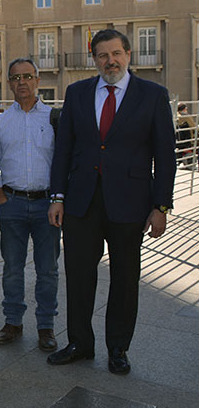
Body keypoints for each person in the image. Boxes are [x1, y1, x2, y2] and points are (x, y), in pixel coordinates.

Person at [47, 29, 175, 374]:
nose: (110, 61)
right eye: (102, 55)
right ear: (94, 59)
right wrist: (57, 196)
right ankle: (79, 344)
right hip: (81, 203)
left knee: (125, 279)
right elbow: (64, 151)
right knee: (78, 275)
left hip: (131, 204)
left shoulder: (152, 95)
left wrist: (161, 206)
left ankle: (118, 348)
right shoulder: (76, 94)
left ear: (128, 54)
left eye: (116, 53)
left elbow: (165, 156)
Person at [0, 58, 60, 352]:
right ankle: (13, 321)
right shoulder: (1, 122)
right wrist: (1, 197)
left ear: (38, 80)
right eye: (16, 77)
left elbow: (64, 161)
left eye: (28, 76)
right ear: (9, 83)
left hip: (47, 205)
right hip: (13, 204)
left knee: (47, 270)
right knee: (12, 268)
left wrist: (59, 199)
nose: (22, 82)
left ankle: (46, 326)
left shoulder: (55, 119)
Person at [176, 103, 196, 168]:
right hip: (188, 140)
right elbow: (193, 127)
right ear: (184, 109)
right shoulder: (186, 116)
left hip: (178, 140)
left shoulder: (175, 116)